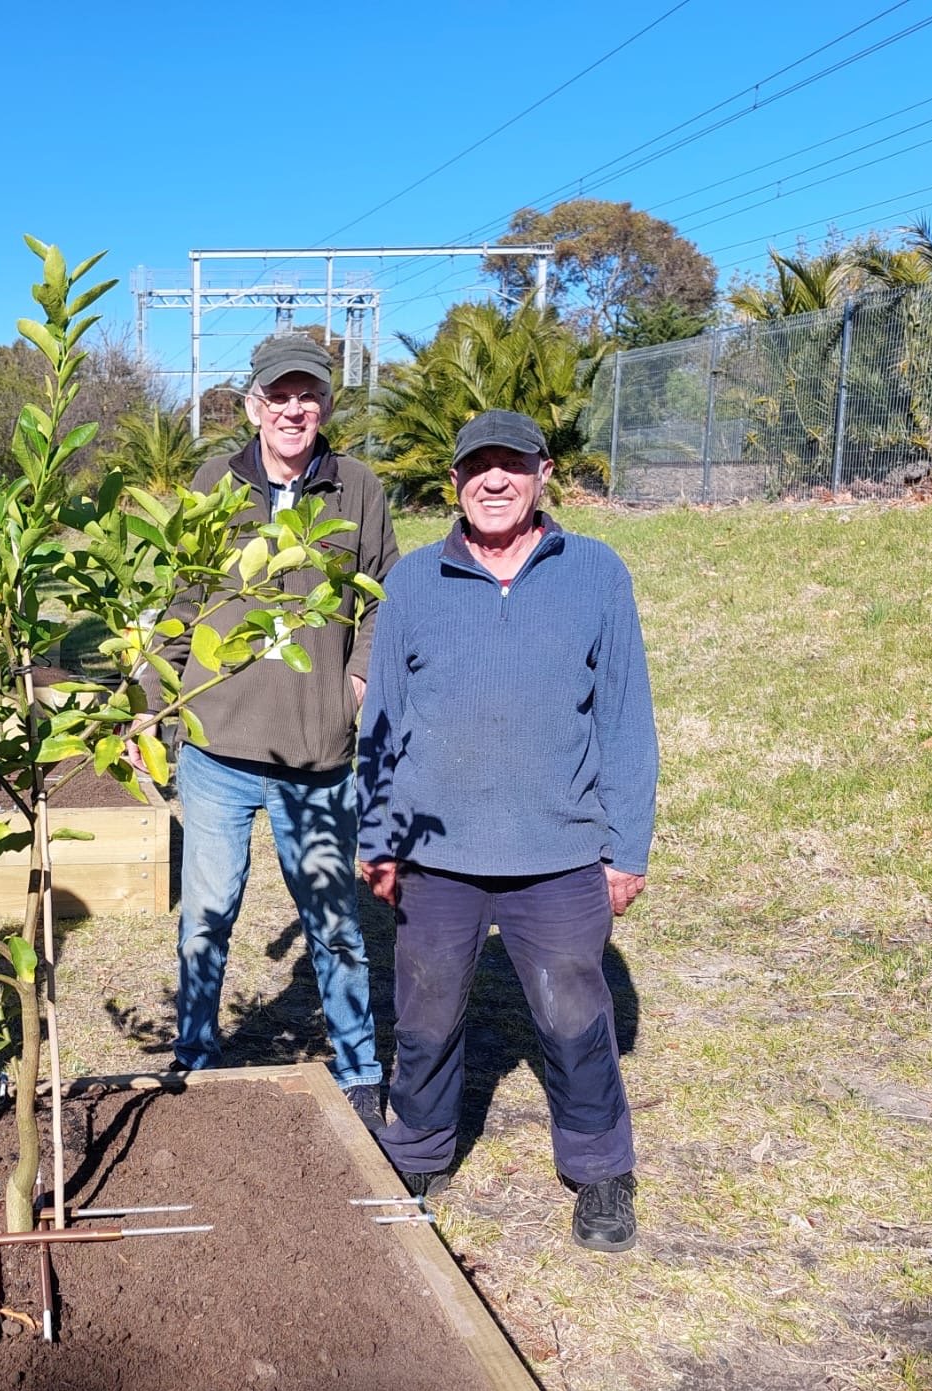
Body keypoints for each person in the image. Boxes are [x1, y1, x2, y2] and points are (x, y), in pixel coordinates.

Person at [356, 409, 657, 1252]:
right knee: (424, 1014)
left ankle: (601, 1171)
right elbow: (382, 718)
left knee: (573, 1019)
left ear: (543, 474)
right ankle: (417, 1150)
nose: (494, 480)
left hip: (560, 853)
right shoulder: (414, 582)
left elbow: (627, 720)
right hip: (435, 856)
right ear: (453, 482)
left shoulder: (596, 573)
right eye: (476, 466)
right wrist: (376, 836)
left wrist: (624, 850)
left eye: (511, 465)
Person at [156, 333, 399, 1131]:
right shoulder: (213, 483)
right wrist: (153, 704)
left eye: (309, 396)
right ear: (254, 406)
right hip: (217, 746)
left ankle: (360, 1067)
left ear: (325, 405)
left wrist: (357, 677)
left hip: (315, 752)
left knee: (331, 920)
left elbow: (384, 600)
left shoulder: (357, 488)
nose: (295, 409)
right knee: (207, 913)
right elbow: (180, 602)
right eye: (279, 396)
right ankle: (195, 1055)